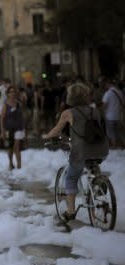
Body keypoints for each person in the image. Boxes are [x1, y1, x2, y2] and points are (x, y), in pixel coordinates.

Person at [43, 83, 109, 222]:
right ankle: (98, 183)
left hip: (81, 152)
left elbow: (57, 130)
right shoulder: (95, 111)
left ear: (71, 96)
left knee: (71, 178)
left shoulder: (68, 113)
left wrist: (47, 136)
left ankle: (71, 211)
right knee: (93, 163)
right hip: (101, 149)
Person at [0, 86, 25, 170]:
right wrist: (2, 131)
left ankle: (19, 165)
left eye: (14, 91)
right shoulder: (5, 105)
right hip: (8, 128)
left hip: (18, 128)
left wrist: (24, 129)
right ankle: (11, 163)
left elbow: (21, 117)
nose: (12, 93)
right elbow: (2, 118)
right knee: (10, 147)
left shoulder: (18, 104)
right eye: (10, 92)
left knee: (16, 146)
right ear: (8, 94)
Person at [102, 79, 124, 148]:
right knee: (118, 132)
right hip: (118, 116)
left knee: (111, 132)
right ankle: (120, 145)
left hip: (109, 116)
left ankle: (114, 146)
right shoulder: (120, 92)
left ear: (108, 84)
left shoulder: (108, 93)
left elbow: (104, 105)